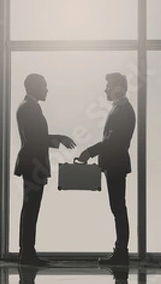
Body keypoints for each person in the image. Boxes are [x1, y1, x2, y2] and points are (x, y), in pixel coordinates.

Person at [15, 73, 75, 266]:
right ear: (33, 86)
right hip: (33, 165)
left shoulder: (30, 107)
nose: (47, 89)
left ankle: (27, 252)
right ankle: (27, 253)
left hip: (34, 165)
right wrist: (59, 138)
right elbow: (35, 138)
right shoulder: (28, 108)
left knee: (31, 209)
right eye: (44, 86)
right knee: (31, 209)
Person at [78, 73, 135, 265]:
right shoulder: (119, 108)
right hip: (115, 164)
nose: (105, 89)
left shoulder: (123, 110)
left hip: (116, 164)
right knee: (117, 207)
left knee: (118, 208)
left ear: (119, 86)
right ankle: (120, 251)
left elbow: (113, 141)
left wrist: (89, 152)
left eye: (108, 85)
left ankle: (121, 253)